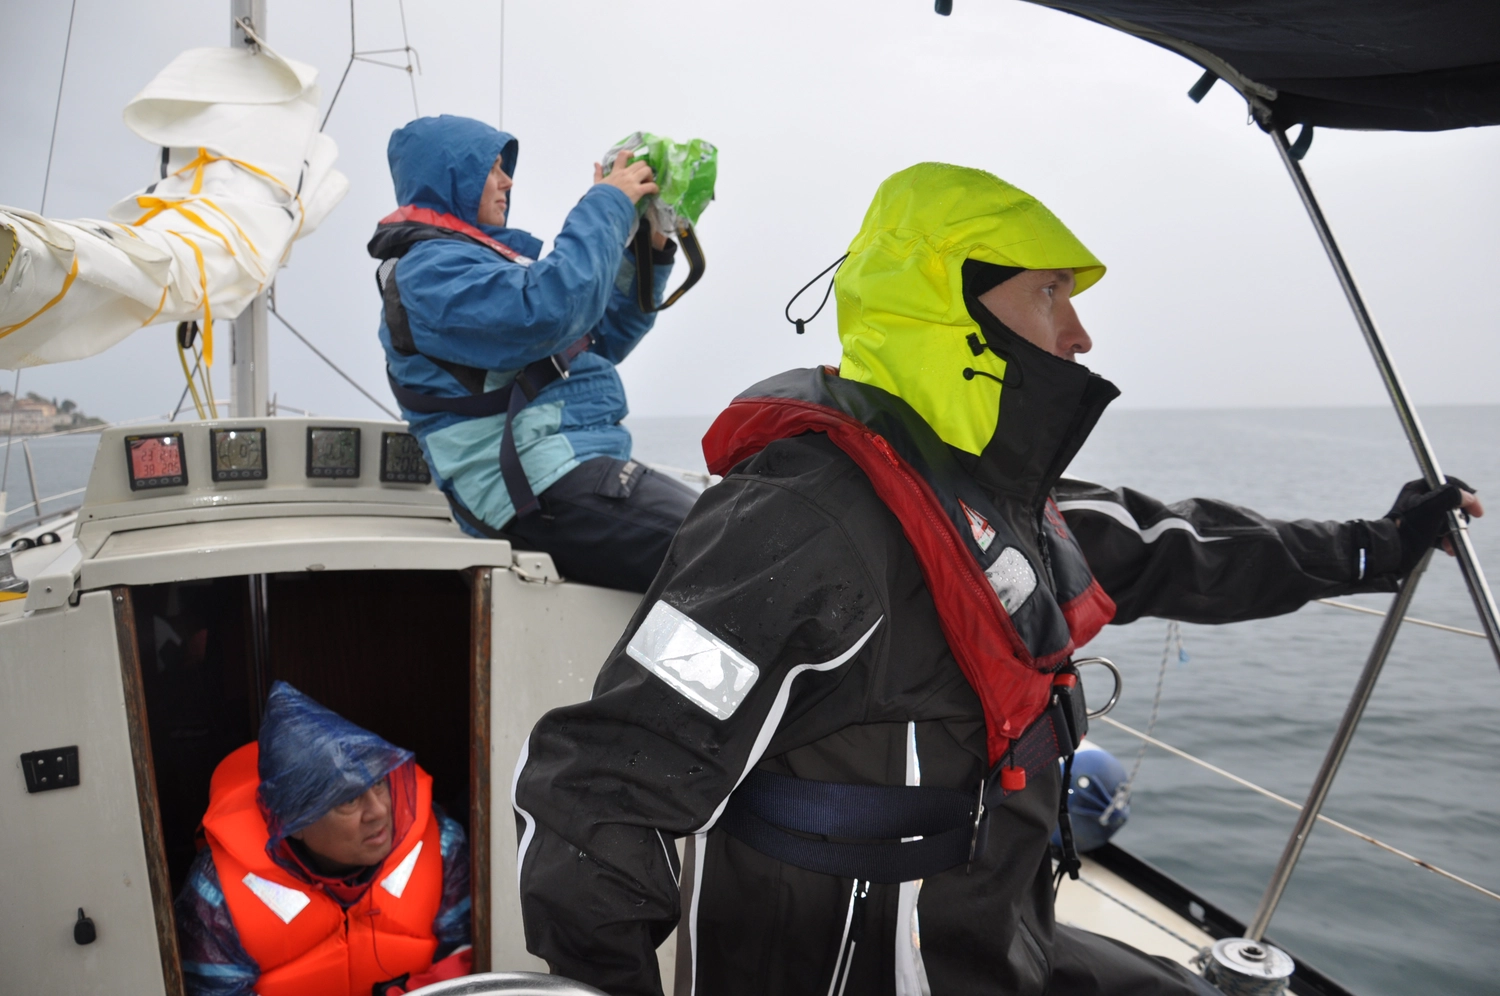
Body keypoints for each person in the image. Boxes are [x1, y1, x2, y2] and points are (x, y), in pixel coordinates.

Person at [512, 163, 1482, 996]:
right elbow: (597, 794)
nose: (1082, 335)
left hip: (995, 935)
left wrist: (1375, 546)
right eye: (1053, 293)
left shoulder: (995, 498)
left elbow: (1166, 542)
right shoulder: (801, 522)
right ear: (955, 306)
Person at [372, 115, 699, 592]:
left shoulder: (475, 265)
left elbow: (598, 338)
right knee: (728, 552)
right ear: (452, 178)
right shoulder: (430, 274)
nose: (508, 181)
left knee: (740, 537)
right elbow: (546, 311)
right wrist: (607, 203)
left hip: (567, 463)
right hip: (531, 483)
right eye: (493, 168)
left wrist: (647, 246)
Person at [176, 682, 472, 996]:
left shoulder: (441, 845)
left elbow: (466, 959)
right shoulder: (216, 892)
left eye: (380, 784)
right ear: (292, 822)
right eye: (349, 800)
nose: (379, 811)